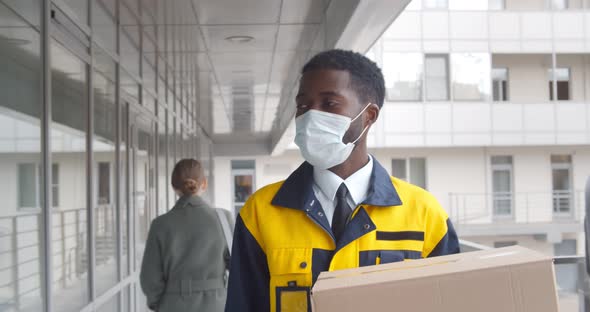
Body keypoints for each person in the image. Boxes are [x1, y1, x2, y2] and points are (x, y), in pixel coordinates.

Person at [225, 49, 460, 312]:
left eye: (329, 104)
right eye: (303, 106)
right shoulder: (261, 212)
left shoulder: (425, 214)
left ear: (369, 115)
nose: (310, 116)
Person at [140, 159, 229, 312]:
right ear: (204, 184)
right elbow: (239, 267)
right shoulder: (224, 218)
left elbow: (150, 278)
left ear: (174, 187)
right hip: (218, 304)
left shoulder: (160, 224)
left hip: (173, 305)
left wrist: (159, 304)